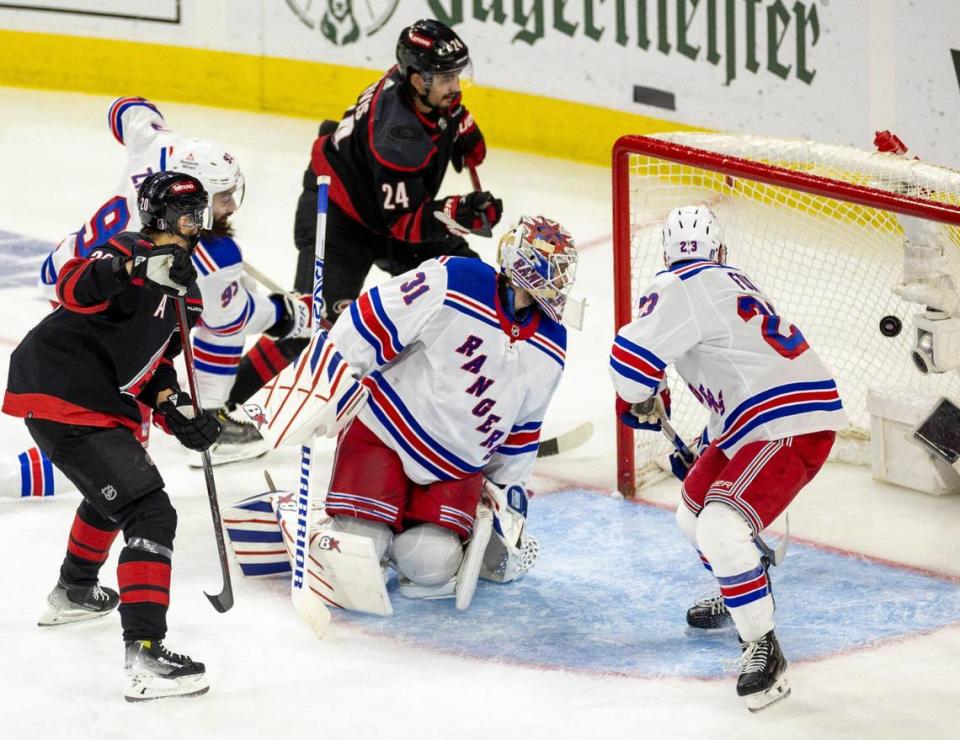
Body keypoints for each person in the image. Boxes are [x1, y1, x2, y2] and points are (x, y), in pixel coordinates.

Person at [609, 205, 847, 712]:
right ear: (719, 251)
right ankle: (743, 584)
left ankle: (765, 649)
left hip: (788, 425)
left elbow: (628, 371)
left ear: (669, 255)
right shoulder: (731, 281)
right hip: (765, 418)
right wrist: (701, 437)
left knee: (719, 526)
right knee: (691, 512)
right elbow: (739, 372)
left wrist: (640, 395)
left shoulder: (681, 284)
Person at [4, 171, 221, 701]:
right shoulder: (128, 250)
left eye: (202, 212)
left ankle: (75, 591)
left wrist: (176, 412)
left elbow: (151, 367)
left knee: (112, 499)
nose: (200, 223)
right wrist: (131, 267)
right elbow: (72, 288)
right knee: (150, 512)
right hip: (63, 389)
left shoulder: (185, 292)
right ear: (163, 219)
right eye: (189, 213)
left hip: (96, 397)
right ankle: (145, 654)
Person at [222, 17, 501, 416]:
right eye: (444, 78)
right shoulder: (397, 136)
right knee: (311, 322)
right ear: (416, 79)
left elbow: (439, 126)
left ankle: (464, 403)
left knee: (467, 287)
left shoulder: (418, 90)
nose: (454, 87)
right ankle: (228, 402)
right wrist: (459, 214)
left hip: (385, 206)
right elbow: (402, 226)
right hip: (340, 218)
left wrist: (460, 124)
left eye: (456, 75)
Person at [37, 95, 309, 466]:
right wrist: (284, 313)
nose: (232, 206)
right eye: (223, 197)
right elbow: (230, 319)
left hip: (65, 270)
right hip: (93, 308)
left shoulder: (162, 148)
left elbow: (127, 108)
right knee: (118, 451)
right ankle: (212, 417)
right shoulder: (203, 255)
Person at [319, 215, 574, 601]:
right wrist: (328, 375)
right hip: (386, 433)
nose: (558, 284)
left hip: (456, 465)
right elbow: (374, 316)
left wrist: (511, 489)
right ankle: (351, 527)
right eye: (552, 272)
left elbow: (524, 424)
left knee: (429, 565)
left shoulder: (552, 342)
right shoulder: (458, 280)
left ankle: (402, 534)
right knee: (360, 550)